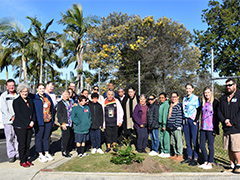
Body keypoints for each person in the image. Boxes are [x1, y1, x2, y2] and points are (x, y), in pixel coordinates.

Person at [218, 78, 240, 173]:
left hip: (236, 127)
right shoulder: (223, 98)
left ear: (235, 85)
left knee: (236, 148)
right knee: (229, 148)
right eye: (226, 85)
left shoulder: (239, 96)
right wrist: (224, 120)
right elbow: (219, 111)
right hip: (226, 128)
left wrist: (232, 121)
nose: (228, 87)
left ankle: (239, 165)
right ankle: (232, 165)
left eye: (230, 85)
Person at [13, 83, 35, 167]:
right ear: (19, 92)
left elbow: (33, 112)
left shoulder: (30, 100)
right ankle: (22, 160)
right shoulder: (16, 101)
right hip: (20, 126)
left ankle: (27, 159)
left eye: (26, 91)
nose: (25, 93)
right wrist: (28, 122)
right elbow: (19, 115)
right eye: (23, 91)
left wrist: (33, 121)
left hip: (29, 125)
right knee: (22, 144)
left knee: (28, 143)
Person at [198, 86, 219, 169]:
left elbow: (217, 116)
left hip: (211, 128)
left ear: (211, 93)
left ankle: (210, 162)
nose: (207, 94)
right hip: (203, 127)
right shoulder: (203, 102)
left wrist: (215, 129)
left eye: (208, 92)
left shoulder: (215, 102)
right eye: (205, 93)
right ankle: (205, 161)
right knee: (202, 145)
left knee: (210, 146)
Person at [33, 84, 55, 163]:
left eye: (43, 88)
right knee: (39, 137)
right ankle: (40, 154)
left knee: (46, 137)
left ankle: (46, 152)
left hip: (48, 120)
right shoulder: (35, 98)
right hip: (40, 122)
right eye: (40, 88)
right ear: (37, 89)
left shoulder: (47, 97)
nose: (42, 90)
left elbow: (52, 108)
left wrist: (53, 119)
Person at [181, 83, 200, 166]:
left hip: (193, 120)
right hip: (186, 121)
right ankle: (189, 157)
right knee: (187, 140)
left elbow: (198, 110)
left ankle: (195, 158)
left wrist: (195, 120)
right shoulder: (184, 99)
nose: (188, 90)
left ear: (192, 89)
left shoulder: (196, 98)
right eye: (186, 88)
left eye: (189, 88)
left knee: (195, 139)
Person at [0, 79, 19, 163]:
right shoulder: (3, 96)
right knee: (9, 138)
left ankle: (18, 153)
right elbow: (3, 108)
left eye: (13, 85)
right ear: (7, 86)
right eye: (10, 85)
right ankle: (11, 155)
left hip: (18, 120)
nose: (12, 87)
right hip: (8, 121)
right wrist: (11, 117)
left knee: (18, 138)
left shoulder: (18, 95)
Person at [57, 90, 74, 157]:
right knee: (65, 137)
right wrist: (62, 123)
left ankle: (68, 150)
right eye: (65, 94)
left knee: (69, 136)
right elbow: (59, 114)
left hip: (70, 122)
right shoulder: (60, 103)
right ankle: (64, 151)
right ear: (62, 95)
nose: (66, 95)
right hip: (65, 122)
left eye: (68, 94)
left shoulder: (70, 102)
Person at [167, 92, 183, 161]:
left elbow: (179, 117)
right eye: (172, 97)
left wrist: (176, 125)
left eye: (175, 97)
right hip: (171, 126)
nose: (173, 98)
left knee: (178, 141)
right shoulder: (171, 105)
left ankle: (180, 155)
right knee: (173, 142)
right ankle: (175, 153)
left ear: (178, 97)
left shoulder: (179, 105)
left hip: (176, 127)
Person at [158, 92, 170, 158]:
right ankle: (162, 150)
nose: (161, 99)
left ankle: (167, 151)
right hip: (160, 123)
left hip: (164, 124)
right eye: (160, 98)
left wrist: (164, 125)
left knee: (166, 138)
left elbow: (165, 115)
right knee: (161, 138)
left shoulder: (166, 104)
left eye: (162, 98)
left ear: (165, 98)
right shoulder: (161, 104)